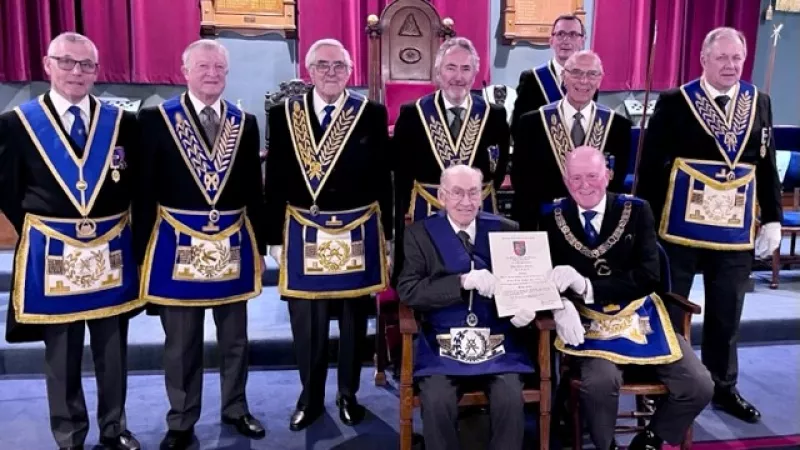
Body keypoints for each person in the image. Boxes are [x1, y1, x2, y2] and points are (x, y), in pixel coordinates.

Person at [0, 32, 142, 450]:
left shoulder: (121, 122)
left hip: (110, 251)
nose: (76, 72)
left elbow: (131, 182)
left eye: (86, 65)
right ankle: (69, 435)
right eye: (67, 62)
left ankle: (114, 429)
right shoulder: (16, 123)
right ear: (48, 65)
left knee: (112, 351)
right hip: (53, 253)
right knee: (61, 353)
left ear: (97, 71)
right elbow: (7, 189)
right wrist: (45, 229)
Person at [637, 27, 782, 424]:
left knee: (727, 311)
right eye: (722, 58)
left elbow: (765, 164)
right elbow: (650, 168)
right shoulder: (675, 102)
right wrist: (644, 226)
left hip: (735, 230)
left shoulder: (760, 102)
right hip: (679, 230)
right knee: (670, 307)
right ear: (703, 59)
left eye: (737, 58)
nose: (731, 66)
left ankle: (724, 387)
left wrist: (772, 217)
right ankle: (663, 383)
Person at [135, 39, 266, 449]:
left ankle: (236, 407)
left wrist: (260, 243)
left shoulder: (244, 122)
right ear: (184, 69)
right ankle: (181, 418)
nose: (212, 74)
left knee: (235, 340)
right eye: (204, 67)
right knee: (181, 344)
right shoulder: (156, 119)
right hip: (177, 246)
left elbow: (251, 191)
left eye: (219, 69)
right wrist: (142, 253)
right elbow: (143, 191)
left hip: (232, 244)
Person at [542, 146, 714, 450]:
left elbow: (650, 276)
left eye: (592, 176)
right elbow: (540, 276)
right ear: (566, 180)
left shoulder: (636, 211)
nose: (584, 185)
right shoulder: (551, 217)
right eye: (576, 178)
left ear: (607, 175)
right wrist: (561, 305)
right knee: (599, 384)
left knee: (698, 384)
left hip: (640, 316)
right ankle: (606, 445)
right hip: (588, 323)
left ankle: (650, 438)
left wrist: (586, 286)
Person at [263, 38, 393, 431]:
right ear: (309, 70)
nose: (331, 73)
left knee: (354, 321)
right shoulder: (284, 113)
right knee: (308, 321)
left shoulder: (370, 113)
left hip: (356, 230)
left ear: (350, 71)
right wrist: (274, 237)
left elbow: (382, 178)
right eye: (323, 65)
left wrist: (386, 236)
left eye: (339, 66)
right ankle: (311, 396)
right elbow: (277, 180)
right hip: (303, 232)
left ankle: (348, 394)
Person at [397, 164, 538, 450]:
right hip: (442, 342)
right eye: (458, 193)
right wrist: (461, 282)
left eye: (473, 193)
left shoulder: (505, 229)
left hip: (496, 341)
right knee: (436, 400)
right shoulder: (420, 234)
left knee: (510, 396)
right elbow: (409, 291)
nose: (466, 201)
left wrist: (526, 305)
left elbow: (524, 283)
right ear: (443, 195)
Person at [392, 37, 510, 281]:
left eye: (466, 68)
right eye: (451, 67)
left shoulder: (494, 115)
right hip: (427, 210)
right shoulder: (413, 113)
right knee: (432, 280)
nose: (458, 76)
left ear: (475, 73)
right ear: (438, 72)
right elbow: (401, 175)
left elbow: (497, 171)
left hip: (478, 209)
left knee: (483, 277)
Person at [512, 50, 631, 231]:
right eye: (576, 73)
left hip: (595, 227)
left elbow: (616, 183)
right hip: (544, 224)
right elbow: (521, 181)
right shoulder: (532, 122)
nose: (584, 81)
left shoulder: (618, 126)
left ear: (600, 79)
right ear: (563, 77)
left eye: (592, 74)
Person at [511, 14, 594, 139]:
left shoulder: (590, 80)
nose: (566, 40)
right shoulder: (532, 79)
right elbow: (518, 128)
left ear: (582, 41)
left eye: (573, 34)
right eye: (560, 34)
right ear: (551, 41)